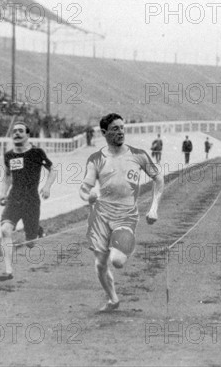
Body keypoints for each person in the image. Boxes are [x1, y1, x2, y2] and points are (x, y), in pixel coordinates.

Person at [80, 113, 164, 311]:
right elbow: (84, 188)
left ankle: (125, 240)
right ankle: (113, 300)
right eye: (115, 128)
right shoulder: (96, 159)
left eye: (122, 128)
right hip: (100, 217)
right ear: (104, 132)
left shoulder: (138, 155)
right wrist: (89, 194)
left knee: (117, 261)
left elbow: (158, 178)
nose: (120, 132)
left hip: (126, 216)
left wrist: (154, 208)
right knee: (100, 264)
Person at [0, 122, 58, 281]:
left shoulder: (37, 153)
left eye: (20, 131)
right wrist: (3, 193)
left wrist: (47, 187)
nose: (16, 133)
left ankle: (35, 230)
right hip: (14, 199)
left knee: (30, 243)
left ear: (27, 135)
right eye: (14, 131)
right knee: (5, 230)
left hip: (31, 200)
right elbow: (8, 176)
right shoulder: (9, 155)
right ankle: (8, 271)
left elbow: (52, 169)